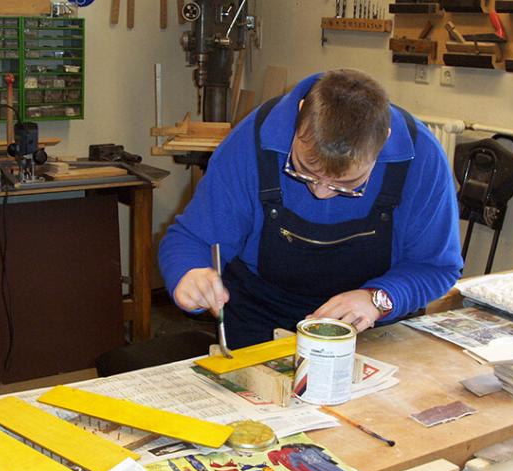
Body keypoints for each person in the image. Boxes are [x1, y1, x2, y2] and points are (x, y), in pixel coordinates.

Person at [158, 69, 463, 349]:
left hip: (366, 328)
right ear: (301, 114)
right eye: (303, 170)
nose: (320, 193)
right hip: (261, 320)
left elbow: (437, 266)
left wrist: (379, 299)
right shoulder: (251, 142)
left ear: (383, 141)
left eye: (346, 184)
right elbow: (190, 240)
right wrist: (189, 273)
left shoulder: (421, 158)